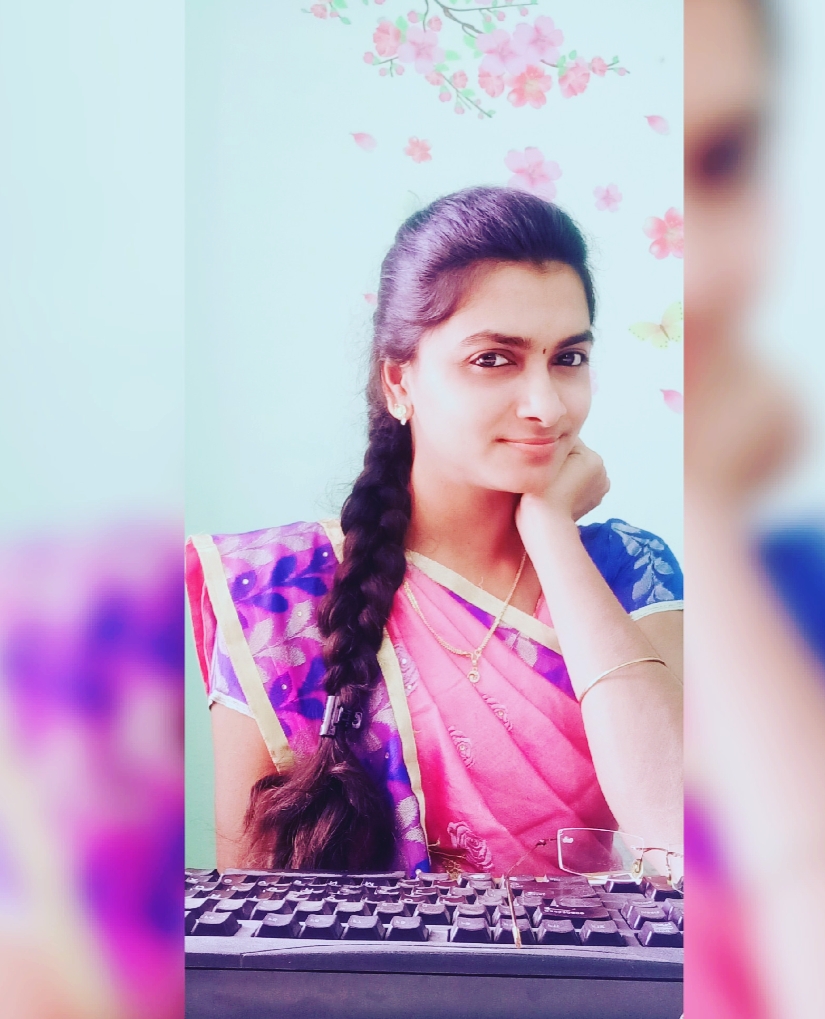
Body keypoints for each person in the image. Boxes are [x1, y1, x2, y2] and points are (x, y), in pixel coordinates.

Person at [185, 186, 684, 878]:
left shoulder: (629, 568)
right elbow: (250, 908)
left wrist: (551, 531)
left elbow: (677, 835)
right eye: (493, 359)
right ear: (399, 382)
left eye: (568, 358)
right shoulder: (279, 590)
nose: (546, 406)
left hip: (583, 955)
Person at [686, 0, 825, 1016]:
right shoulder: (335, 618)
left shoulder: (821, 595)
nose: (702, 267)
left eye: (723, 162)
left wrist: (703, 514)